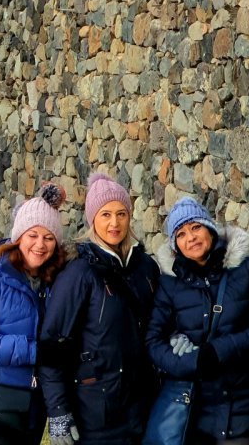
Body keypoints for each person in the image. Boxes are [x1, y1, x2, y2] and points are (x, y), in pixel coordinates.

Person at [145, 196, 249, 445]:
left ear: (209, 228)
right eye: (180, 234)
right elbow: (153, 339)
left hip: (241, 403)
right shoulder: (170, 284)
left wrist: (219, 351)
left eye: (195, 227)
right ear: (175, 245)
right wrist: (186, 362)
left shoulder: (247, 269)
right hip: (193, 408)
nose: (190, 237)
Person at [37, 172, 160, 445]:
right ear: (93, 219)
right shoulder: (79, 273)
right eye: (105, 215)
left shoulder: (146, 269)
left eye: (121, 214)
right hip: (94, 412)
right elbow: (51, 346)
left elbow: (159, 325)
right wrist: (58, 411)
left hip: (141, 407)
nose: (114, 223)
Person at [0, 183, 68, 445]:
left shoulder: (50, 280)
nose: (40, 244)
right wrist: (33, 350)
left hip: (29, 402)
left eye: (48, 237)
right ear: (19, 236)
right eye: (33, 235)